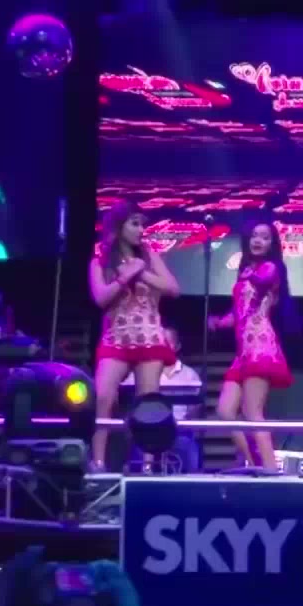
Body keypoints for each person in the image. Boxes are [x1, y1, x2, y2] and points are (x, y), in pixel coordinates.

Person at [88, 200, 180, 471]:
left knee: (147, 401)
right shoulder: (100, 260)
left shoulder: (149, 255)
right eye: (135, 223)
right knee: (103, 396)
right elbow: (100, 298)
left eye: (143, 224)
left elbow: (173, 288)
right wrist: (124, 277)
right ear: (119, 226)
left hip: (149, 336)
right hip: (116, 338)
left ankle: (147, 466)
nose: (141, 230)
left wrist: (141, 273)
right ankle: (98, 462)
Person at [208, 220, 295, 471]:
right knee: (225, 411)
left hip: (260, 345)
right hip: (243, 351)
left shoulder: (271, 268)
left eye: (265, 237)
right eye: (255, 236)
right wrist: (219, 321)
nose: (258, 241)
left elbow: (264, 281)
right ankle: (253, 461)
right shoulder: (247, 271)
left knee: (253, 413)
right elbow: (239, 312)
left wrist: (251, 276)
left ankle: (270, 470)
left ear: (272, 244)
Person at [121, 327, 204, 472]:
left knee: (188, 446)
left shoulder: (190, 374)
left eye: (168, 341)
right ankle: (144, 473)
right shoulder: (141, 371)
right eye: (161, 341)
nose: (164, 345)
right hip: (146, 430)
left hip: (178, 431)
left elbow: (195, 409)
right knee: (136, 442)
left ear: (177, 346)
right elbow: (126, 393)